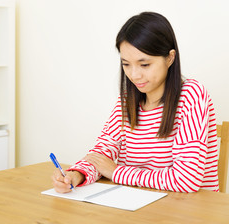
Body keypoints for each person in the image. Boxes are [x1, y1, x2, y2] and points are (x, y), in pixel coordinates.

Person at [52, 12, 219, 193]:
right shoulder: (127, 100)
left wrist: (116, 172)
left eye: (144, 64)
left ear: (170, 58)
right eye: (126, 64)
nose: (134, 75)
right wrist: (77, 175)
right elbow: (102, 152)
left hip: (189, 212)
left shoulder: (192, 94)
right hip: (138, 207)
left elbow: (186, 179)